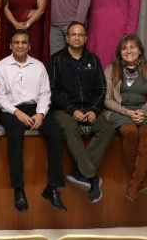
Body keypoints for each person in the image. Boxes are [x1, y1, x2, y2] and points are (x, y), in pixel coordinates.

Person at [0, 29, 66, 212]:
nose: (20, 46)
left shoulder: (38, 66)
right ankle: (19, 190)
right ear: (11, 45)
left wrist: (41, 113)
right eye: (16, 42)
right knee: (16, 134)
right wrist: (16, 112)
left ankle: (52, 188)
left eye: (24, 42)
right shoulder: (1, 67)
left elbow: (45, 93)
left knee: (56, 133)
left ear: (29, 45)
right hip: (11, 110)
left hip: (35, 109)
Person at [48, 22, 114, 203]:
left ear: (85, 39)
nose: (77, 38)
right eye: (73, 35)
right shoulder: (56, 60)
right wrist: (71, 110)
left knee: (108, 129)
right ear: (67, 38)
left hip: (90, 109)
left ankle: (81, 173)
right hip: (65, 109)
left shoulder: (94, 59)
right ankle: (92, 178)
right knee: (70, 129)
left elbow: (101, 88)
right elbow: (52, 92)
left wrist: (94, 110)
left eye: (81, 35)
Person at [103, 34, 147, 201]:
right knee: (130, 131)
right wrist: (127, 112)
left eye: (132, 47)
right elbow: (107, 99)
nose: (128, 50)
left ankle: (133, 185)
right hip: (120, 111)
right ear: (120, 52)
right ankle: (139, 183)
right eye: (124, 48)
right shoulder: (111, 70)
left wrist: (143, 112)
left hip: (142, 111)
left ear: (139, 51)